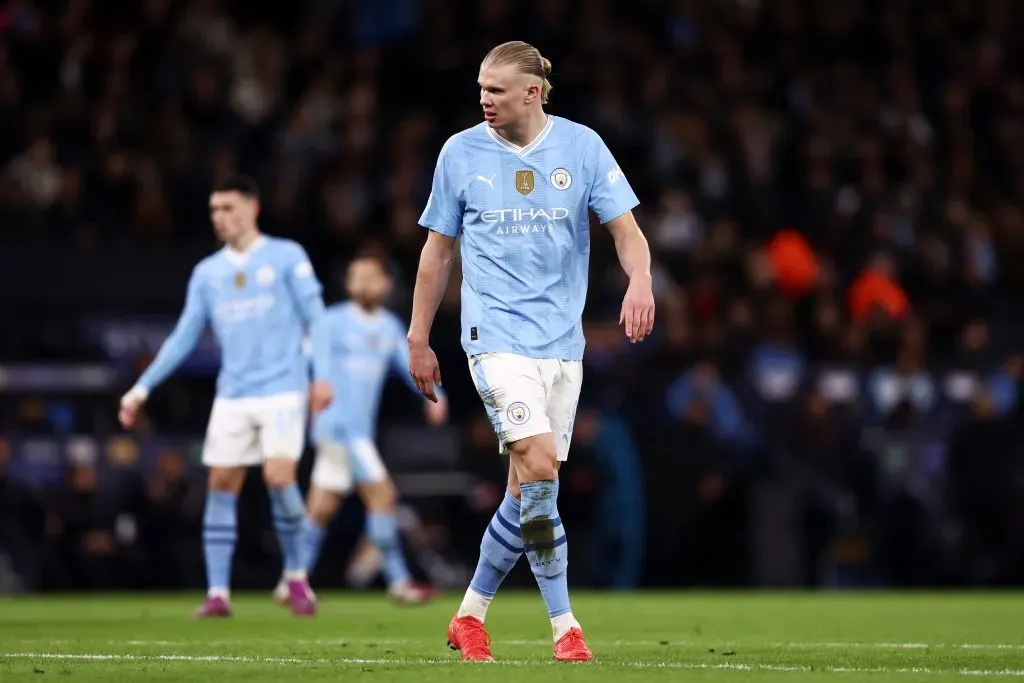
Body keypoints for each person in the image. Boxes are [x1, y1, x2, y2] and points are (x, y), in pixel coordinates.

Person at [407, 41, 655, 662]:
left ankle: (469, 616)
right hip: (494, 338)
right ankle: (565, 628)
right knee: (541, 468)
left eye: (496, 90)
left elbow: (628, 233)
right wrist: (417, 336)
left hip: (561, 346)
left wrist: (641, 281)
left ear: (532, 93)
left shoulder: (583, 147)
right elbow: (437, 253)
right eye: (481, 88)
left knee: (526, 491)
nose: (484, 99)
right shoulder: (459, 153)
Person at [118, 175, 334, 618]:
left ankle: (296, 578)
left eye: (229, 208)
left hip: (282, 390)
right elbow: (182, 337)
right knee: (219, 485)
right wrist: (141, 389)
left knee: (278, 478)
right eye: (215, 210)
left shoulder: (286, 256)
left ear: (253, 209)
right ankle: (218, 593)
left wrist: (322, 378)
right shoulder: (207, 273)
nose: (221, 217)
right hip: (233, 394)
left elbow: (319, 320)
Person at [271, 248, 448, 609]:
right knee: (383, 497)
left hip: (357, 433)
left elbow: (408, 365)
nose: (362, 284)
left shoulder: (389, 327)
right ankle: (399, 582)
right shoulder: (330, 322)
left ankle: (290, 579)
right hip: (337, 427)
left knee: (321, 508)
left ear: (386, 284)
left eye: (370, 276)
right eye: (356, 277)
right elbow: (300, 360)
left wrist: (437, 397)